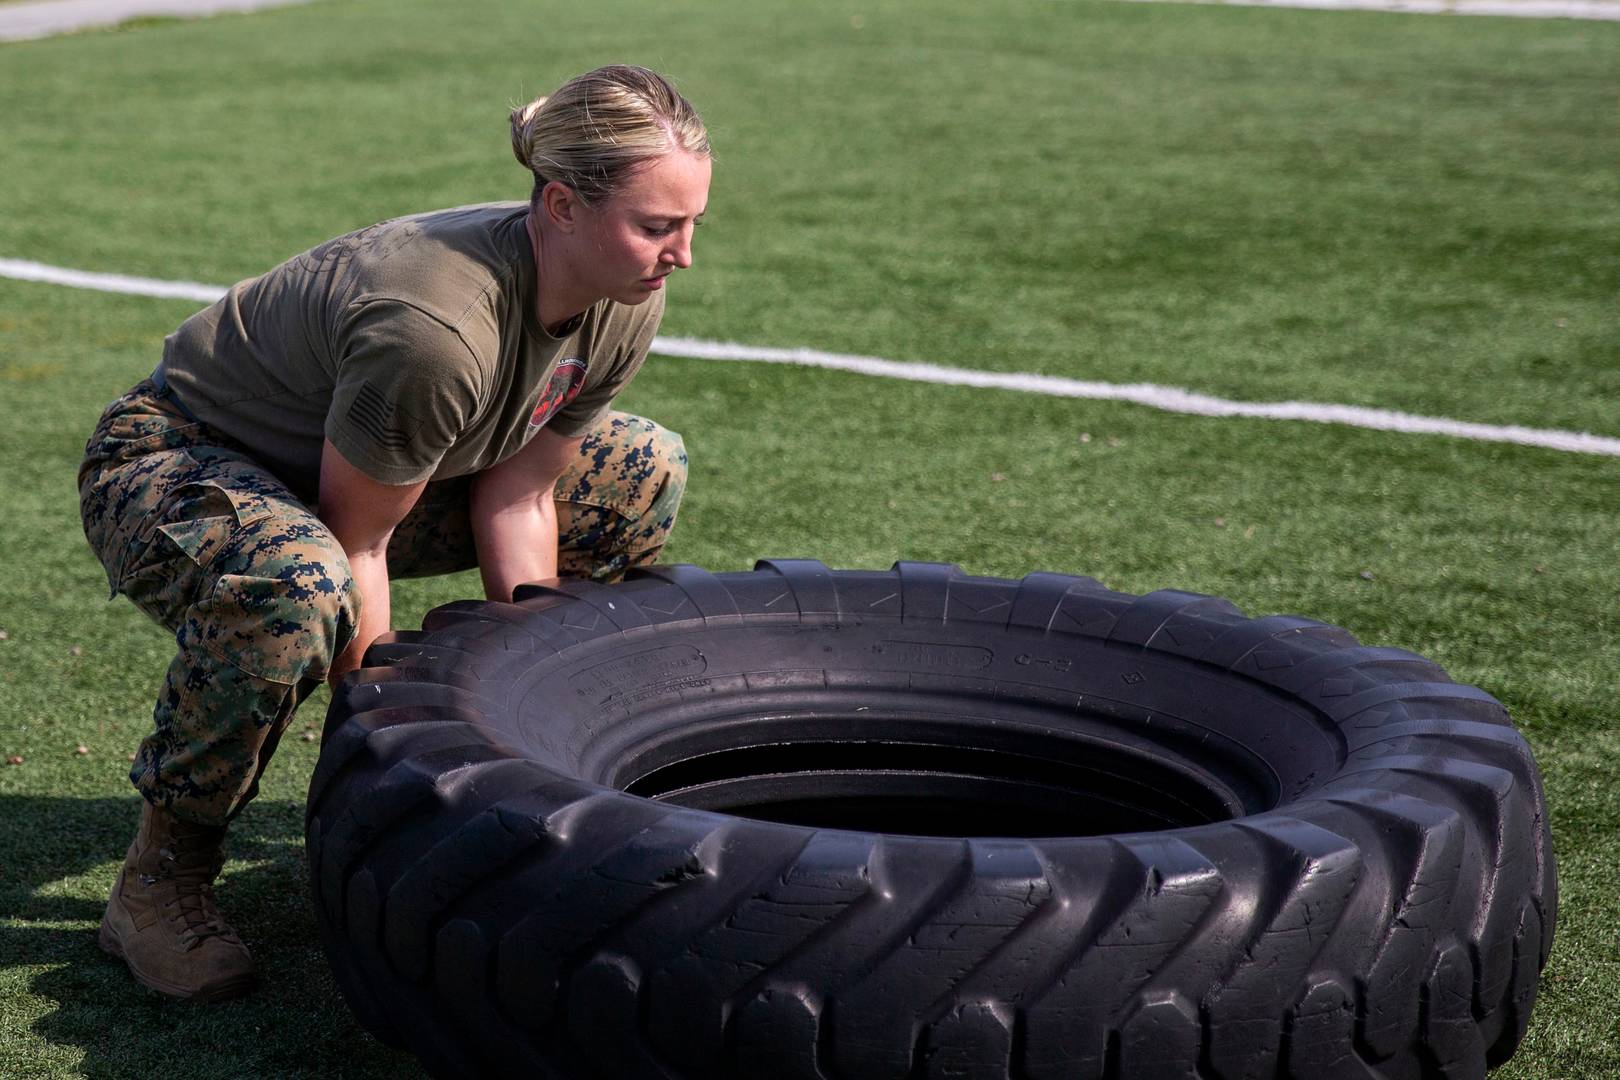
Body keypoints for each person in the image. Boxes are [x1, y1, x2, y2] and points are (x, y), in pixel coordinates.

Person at [76, 64, 711, 1002]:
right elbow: (357, 544)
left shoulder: (624, 294)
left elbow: (519, 496)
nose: (682, 254)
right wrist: (398, 781)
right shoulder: (436, 328)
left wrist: (537, 723)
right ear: (563, 204)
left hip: (374, 475)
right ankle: (158, 885)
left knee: (637, 466)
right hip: (176, 463)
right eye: (658, 227)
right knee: (299, 586)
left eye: (692, 223)